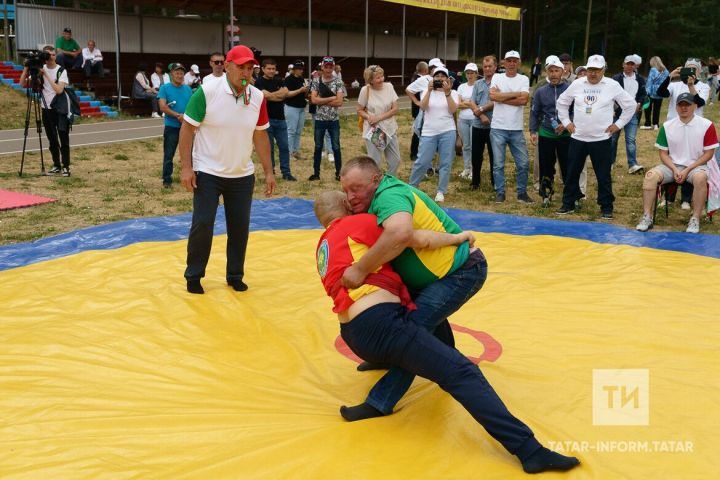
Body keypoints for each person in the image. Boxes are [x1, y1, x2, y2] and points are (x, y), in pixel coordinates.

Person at [313, 190, 580, 475]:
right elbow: (415, 238)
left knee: (425, 313)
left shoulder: (323, 245)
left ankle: (385, 387)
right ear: (345, 205)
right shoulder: (360, 223)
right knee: (461, 373)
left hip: (353, 334)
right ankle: (530, 451)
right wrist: (458, 237)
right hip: (382, 326)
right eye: (350, 197)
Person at [339, 156, 481, 418]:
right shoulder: (374, 200)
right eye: (345, 190)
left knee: (412, 335)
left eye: (356, 189)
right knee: (421, 323)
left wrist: (360, 270)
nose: (350, 197)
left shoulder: (389, 196)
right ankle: (449, 362)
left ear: (375, 180)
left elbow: (400, 233)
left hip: (459, 273)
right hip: (436, 273)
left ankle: (381, 401)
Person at [179, 44, 276, 294]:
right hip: (208, 172)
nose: (246, 72)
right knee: (203, 224)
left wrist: (268, 171)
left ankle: (235, 274)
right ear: (228, 66)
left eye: (250, 68)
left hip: (241, 174)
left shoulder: (257, 96)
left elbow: (261, 136)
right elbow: (187, 129)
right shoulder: (207, 91)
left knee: (239, 227)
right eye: (241, 67)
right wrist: (186, 168)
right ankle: (194, 275)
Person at [555, 54, 636, 218]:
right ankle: (568, 203)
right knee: (571, 173)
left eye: (597, 70)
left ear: (603, 70)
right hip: (578, 138)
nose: (593, 73)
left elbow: (630, 106)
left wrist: (618, 125)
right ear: (586, 69)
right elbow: (562, 103)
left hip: (601, 139)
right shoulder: (577, 84)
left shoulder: (612, 85)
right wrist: (566, 122)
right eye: (590, 69)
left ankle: (606, 206)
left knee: (603, 174)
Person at [635, 93, 719, 233]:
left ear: (695, 106)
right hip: (672, 166)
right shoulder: (667, 126)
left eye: (687, 104)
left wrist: (687, 170)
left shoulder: (707, 125)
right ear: (676, 107)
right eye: (681, 105)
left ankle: (695, 218)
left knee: (700, 178)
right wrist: (674, 169)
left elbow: (709, 154)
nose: (684, 107)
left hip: (696, 166)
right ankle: (647, 216)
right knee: (650, 176)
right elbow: (663, 153)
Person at [407, 67, 459, 203]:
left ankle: (441, 191)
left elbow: (453, 110)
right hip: (429, 132)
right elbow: (423, 107)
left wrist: (447, 93)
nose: (440, 78)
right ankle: (412, 188)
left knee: (445, 163)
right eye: (437, 76)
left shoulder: (453, 93)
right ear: (432, 78)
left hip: (448, 131)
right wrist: (429, 91)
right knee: (422, 161)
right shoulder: (426, 90)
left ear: (448, 79)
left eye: (443, 76)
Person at [19, 45, 72, 176]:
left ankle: (66, 166)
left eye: (52, 55)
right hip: (46, 108)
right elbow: (22, 84)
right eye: (47, 55)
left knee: (63, 138)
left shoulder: (61, 71)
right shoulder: (39, 69)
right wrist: (27, 67)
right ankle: (56, 165)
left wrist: (46, 74)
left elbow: (59, 90)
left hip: (60, 109)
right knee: (52, 139)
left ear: (55, 56)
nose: (50, 57)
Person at [489, 50, 534, 204]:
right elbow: (493, 96)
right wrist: (515, 94)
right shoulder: (497, 77)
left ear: (519, 62)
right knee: (498, 164)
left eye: (515, 61)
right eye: (509, 60)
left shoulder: (524, 79)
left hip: (516, 129)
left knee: (523, 163)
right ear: (504, 63)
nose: (512, 63)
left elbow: (523, 100)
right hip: (498, 128)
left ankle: (522, 193)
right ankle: (500, 192)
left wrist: (503, 97)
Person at [529, 55, 570, 206]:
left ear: (562, 72)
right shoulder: (540, 91)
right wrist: (533, 131)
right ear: (547, 72)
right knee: (546, 166)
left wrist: (566, 124)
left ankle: (570, 195)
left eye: (556, 70)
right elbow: (534, 112)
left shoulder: (569, 89)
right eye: (550, 71)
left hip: (565, 134)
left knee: (567, 165)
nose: (553, 74)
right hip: (546, 133)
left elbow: (575, 110)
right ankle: (546, 195)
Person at [254, 58, 296, 181]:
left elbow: (285, 93)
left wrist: (271, 96)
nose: (271, 71)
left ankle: (286, 172)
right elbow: (264, 95)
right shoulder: (259, 82)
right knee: (269, 148)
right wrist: (278, 95)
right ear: (263, 69)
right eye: (269, 68)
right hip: (267, 120)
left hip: (281, 120)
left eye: (273, 68)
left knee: (284, 147)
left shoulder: (279, 80)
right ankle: (270, 172)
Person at [357, 65, 400, 175]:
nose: (381, 79)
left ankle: (388, 182)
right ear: (370, 80)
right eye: (378, 78)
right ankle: (374, 186)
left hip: (390, 128)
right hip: (375, 131)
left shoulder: (389, 87)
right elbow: (360, 110)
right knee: (375, 163)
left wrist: (379, 117)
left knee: (395, 161)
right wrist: (368, 117)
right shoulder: (365, 90)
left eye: (382, 76)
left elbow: (395, 109)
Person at [157, 63, 193, 188]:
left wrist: (186, 116)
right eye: (177, 73)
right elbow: (162, 106)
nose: (180, 75)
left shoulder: (188, 89)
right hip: (172, 126)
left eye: (182, 73)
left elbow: (191, 106)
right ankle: (167, 180)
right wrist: (178, 115)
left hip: (186, 127)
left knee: (190, 153)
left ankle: (192, 176)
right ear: (171, 74)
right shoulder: (164, 88)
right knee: (169, 154)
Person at [309, 56, 344, 181]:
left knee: (336, 147)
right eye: (326, 66)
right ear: (322, 67)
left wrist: (321, 101)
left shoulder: (338, 82)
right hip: (319, 120)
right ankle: (316, 173)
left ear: (333, 67)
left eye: (331, 66)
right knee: (318, 146)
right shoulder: (316, 81)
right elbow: (313, 100)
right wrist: (331, 98)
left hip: (334, 120)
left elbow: (340, 102)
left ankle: (339, 173)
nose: (328, 69)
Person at [610, 54, 646, 175]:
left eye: (632, 64)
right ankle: (610, 162)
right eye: (628, 64)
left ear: (635, 66)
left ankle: (632, 164)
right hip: (617, 114)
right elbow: (610, 95)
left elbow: (643, 94)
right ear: (623, 65)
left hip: (632, 114)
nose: (630, 66)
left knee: (630, 140)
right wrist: (613, 108)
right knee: (613, 139)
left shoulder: (640, 79)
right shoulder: (615, 78)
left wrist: (639, 103)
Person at [469, 55, 496, 190]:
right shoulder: (478, 84)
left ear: (495, 67)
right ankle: (475, 182)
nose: (487, 69)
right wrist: (481, 116)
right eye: (485, 66)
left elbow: (497, 101)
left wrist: (481, 109)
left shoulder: (499, 83)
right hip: (478, 125)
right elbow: (471, 102)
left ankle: (495, 182)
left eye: (490, 66)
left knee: (494, 155)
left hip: (494, 125)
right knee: (476, 155)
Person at [405, 60, 432, 161]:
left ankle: (418, 151)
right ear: (425, 70)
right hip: (418, 109)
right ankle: (414, 153)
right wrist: (417, 102)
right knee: (417, 131)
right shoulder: (419, 79)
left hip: (419, 108)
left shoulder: (415, 76)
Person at [456, 63, 479, 180]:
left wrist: (468, 103)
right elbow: (458, 104)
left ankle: (474, 170)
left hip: (475, 119)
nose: (470, 75)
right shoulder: (461, 87)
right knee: (466, 146)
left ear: (476, 74)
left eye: (472, 73)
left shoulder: (479, 86)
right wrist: (470, 103)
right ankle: (466, 168)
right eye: (468, 73)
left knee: (474, 145)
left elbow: (479, 103)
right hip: (463, 119)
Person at [283, 61, 309, 161]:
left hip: (301, 107)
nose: (301, 70)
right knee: (291, 131)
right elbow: (287, 94)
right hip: (291, 107)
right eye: (298, 69)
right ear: (294, 70)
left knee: (298, 131)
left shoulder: (301, 79)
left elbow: (303, 92)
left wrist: (306, 91)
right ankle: (289, 153)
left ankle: (296, 151)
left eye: (301, 69)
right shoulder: (288, 79)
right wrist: (300, 90)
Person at [642, 56, 669, 131]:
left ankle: (648, 124)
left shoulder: (653, 70)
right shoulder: (666, 71)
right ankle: (656, 125)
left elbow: (650, 81)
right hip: (660, 92)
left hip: (652, 91)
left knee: (647, 108)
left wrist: (647, 91)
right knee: (657, 109)